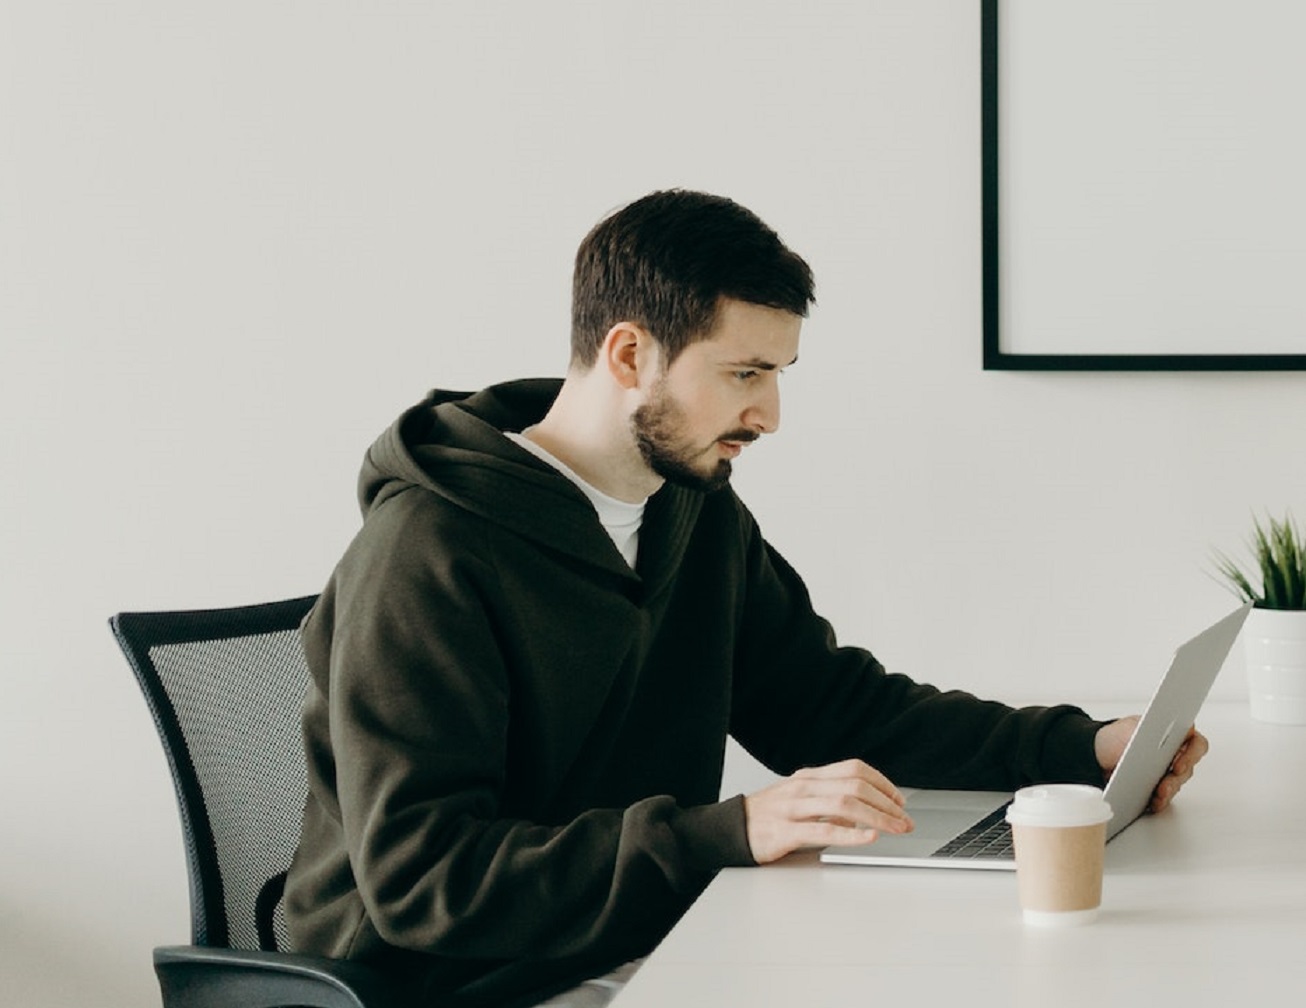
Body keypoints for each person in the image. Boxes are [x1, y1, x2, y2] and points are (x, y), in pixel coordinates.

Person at [284, 189, 1207, 1007]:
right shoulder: (428, 553)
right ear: (630, 352)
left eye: (776, 375)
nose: (768, 415)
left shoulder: (694, 513)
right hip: (450, 984)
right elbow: (422, 882)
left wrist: (1078, 748)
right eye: (744, 373)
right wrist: (730, 831)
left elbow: (836, 708)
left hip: (641, 945)